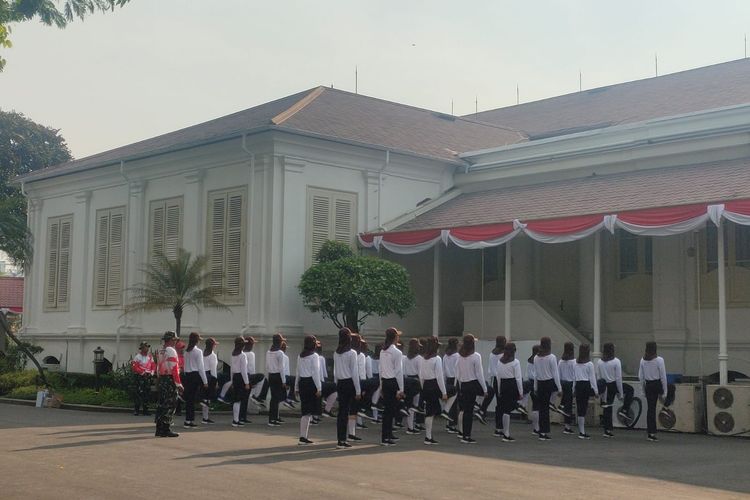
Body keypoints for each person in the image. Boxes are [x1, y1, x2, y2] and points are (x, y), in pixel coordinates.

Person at [333, 328, 361, 449]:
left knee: (341, 412)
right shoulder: (352, 353)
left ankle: (341, 438)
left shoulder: (336, 353)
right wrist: (358, 390)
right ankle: (344, 439)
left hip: (340, 383)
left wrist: (336, 383)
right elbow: (354, 373)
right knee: (348, 411)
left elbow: (335, 372)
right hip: (349, 383)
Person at [456, 334, 487, 444]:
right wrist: (484, 389)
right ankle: (467, 436)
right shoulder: (476, 356)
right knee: (469, 411)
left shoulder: (459, 356)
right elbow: (479, 374)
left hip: (463, 384)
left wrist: (459, 386)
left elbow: (458, 373)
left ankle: (464, 434)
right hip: (472, 384)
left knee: (465, 410)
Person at [639, 341, 672, 442]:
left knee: (651, 409)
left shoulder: (643, 360)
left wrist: (643, 390)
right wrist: (665, 392)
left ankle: (651, 433)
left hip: (648, 385)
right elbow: (663, 376)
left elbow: (641, 377)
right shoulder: (659, 360)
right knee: (672, 388)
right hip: (657, 384)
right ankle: (665, 406)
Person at [419, 336, 447, 445]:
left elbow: (421, 375)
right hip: (434, 384)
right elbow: (439, 377)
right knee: (452, 392)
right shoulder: (437, 359)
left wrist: (422, 387)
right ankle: (446, 410)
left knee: (429, 412)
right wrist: (444, 392)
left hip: (426, 385)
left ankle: (428, 436)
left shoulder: (423, 358)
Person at [379, 327, 404, 446]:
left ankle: (388, 434)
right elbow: (398, 372)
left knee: (388, 410)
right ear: (395, 337)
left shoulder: (383, 351)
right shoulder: (397, 352)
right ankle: (386, 437)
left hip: (385, 381)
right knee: (390, 410)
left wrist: (380, 386)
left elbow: (380, 370)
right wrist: (401, 389)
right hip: (393, 382)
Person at [155, 331, 183, 438]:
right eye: (175, 340)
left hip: (162, 378)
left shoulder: (160, 350)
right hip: (169, 379)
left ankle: (159, 429)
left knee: (161, 404)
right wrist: (178, 383)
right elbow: (174, 368)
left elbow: (158, 366)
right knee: (170, 404)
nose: (175, 342)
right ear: (172, 340)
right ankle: (166, 429)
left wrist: (159, 378)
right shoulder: (171, 350)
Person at [295, 335, 322, 445]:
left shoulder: (300, 356)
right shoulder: (314, 356)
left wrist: (296, 387)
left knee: (305, 411)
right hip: (311, 383)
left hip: (302, 383)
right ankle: (303, 437)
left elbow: (297, 372)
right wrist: (319, 387)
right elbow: (316, 372)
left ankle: (303, 436)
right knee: (309, 412)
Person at [534, 337, 561, 441]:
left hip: (540, 384)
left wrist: (535, 387)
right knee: (545, 408)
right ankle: (544, 432)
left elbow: (536, 374)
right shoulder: (551, 357)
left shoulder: (536, 357)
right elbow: (555, 373)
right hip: (548, 383)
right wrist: (559, 388)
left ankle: (541, 431)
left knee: (542, 408)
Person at [496, 342, 523, 442]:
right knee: (508, 409)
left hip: (503, 385)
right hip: (512, 385)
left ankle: (504, 431)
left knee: (504, 409)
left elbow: (498, 377)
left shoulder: (499, 361)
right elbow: (518, 379)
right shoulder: (515, 362)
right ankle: (506, 434)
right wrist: (520, 392)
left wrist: (498, 389)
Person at [479, 336, 505, 432]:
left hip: (493, 379)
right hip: (501, 380)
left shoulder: (492, 353)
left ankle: (482, 410)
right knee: (501, 404)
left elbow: (490, 368)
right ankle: (499, 428)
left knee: (494, 399)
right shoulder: (503, 354)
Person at [182, 332, 208, 429]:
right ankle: (190, 419)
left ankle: (188, 420)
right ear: (197, 341)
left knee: (189, 400)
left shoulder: (186, 351)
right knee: (193, 398)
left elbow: (184, 366)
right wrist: (205, 381)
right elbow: (201, 367)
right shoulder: (198, 352)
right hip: (195, 374)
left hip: (187, 375)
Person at [573, 344, 598, 439]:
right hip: (586, 385)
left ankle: (581, 430)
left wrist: (573, 389)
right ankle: (582, 432)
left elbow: (574, 377)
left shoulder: (575, 363)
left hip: (578, 385)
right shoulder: (590, 364)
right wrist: (595, 391)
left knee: (580, 408)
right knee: (584, 407)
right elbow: (592, 378)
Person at [403, 338, 424, 435]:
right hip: (416, 382)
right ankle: (411, 427)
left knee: (409, 404)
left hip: (407, 381)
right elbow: (420, 373)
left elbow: (404, 371)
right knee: (414, 405)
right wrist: (422, 385)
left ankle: (410, 426)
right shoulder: (419, 358)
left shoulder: (405, 358)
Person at [131, 341, 155, 416]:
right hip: (140, 377)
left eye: (147, 347)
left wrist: (152, 373)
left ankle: (146, 410)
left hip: (148, 376)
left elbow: (153, 365)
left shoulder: (150, 357)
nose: (147, 348)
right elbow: (134, 367)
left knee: (147, 393)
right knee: (138, 393)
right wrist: (142, 372)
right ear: (142, 348)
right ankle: (136, 410)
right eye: (145, 347)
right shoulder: (137, 357)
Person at [230, 336, 250, 427]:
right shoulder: (242, 355)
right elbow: (244, 370)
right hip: (241, 377)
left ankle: (235, 418)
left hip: (235, 377)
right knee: (239, 400)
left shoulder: (233, 354)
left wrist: (231, 380)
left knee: (236, 400)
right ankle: (236, 420)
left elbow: (232, 369)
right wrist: (246, 382)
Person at [442, 337, 460, 433]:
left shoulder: (445, 356)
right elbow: (457, 370)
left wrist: (444, 382)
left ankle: (448, 423)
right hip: (455, 380)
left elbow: (444, 370)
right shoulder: (457, 356)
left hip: (448, 379)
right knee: (454, 403)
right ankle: (452, 425)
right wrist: (456, 383)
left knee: (449, 402)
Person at [558, 342, 576, 435]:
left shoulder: (561, 361)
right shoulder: (574, 362)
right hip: (570, 384)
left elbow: (559, 374)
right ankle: (567, 427)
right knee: (568, 406)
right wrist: (574, 388)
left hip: (562, 383)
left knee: (566, 404)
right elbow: (574, 376)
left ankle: (561, 405)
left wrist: (559, 387)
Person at [201, 338, 219, 424]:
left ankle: (205, 417)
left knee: (205, 398)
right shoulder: (213, 355)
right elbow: (213, 370)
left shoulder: (202, 353)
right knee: (208, 397)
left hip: (201, 375)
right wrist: (215, 381)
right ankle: (205, 417)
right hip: (209, 375)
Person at [524, 344, 540, 435]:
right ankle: (537, 427)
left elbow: (528, 374)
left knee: (535, 406)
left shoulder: (529, 360)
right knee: (538, 406)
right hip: (537, 383)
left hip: (530, 383)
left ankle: (535, 427)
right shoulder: (538, 360)